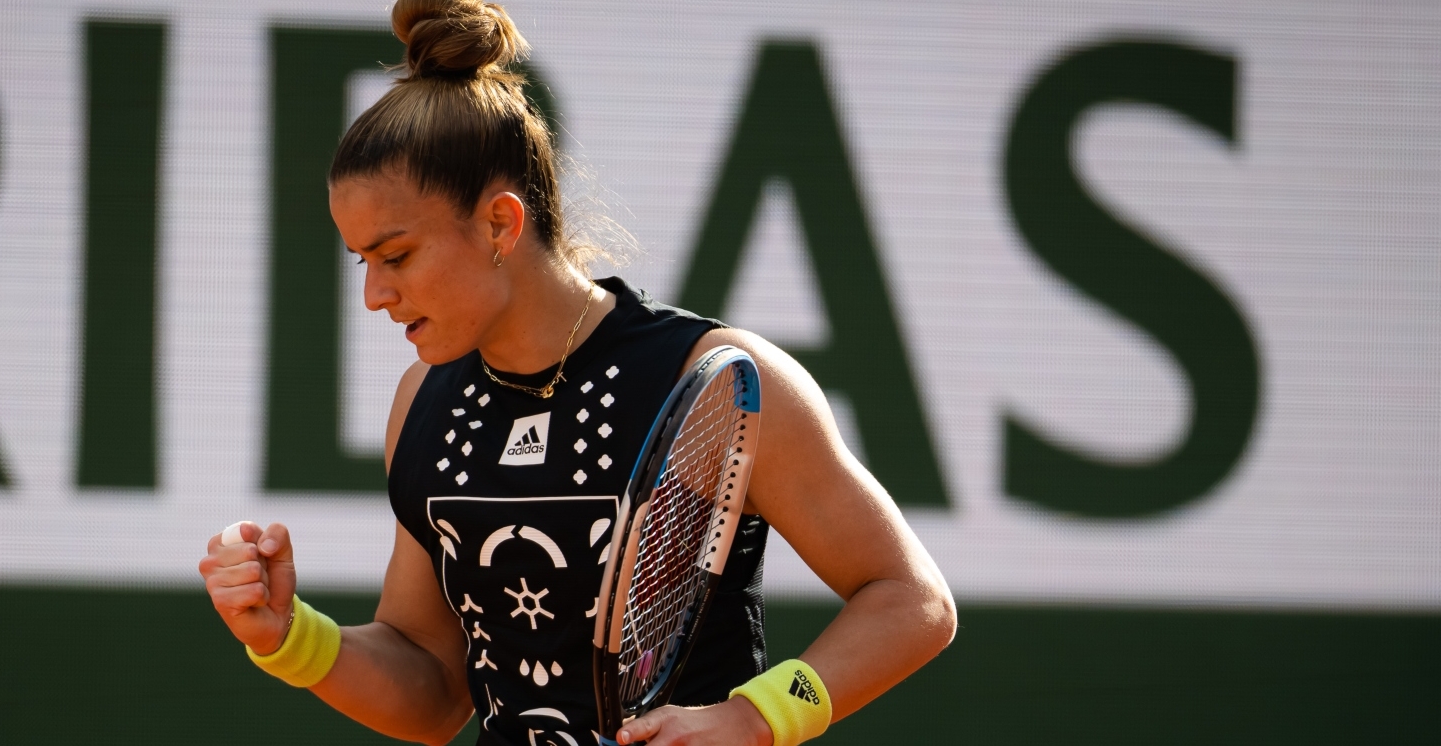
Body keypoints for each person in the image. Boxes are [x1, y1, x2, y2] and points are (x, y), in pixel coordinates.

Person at [200, 1, 956, 744]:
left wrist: (758, 717)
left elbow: (911, 600)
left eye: (395, 255)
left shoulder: (718, 379)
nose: (373, 294)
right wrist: (288, 636)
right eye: (362, 261)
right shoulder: (421, 403)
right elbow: (435, 693)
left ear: (500, 223)